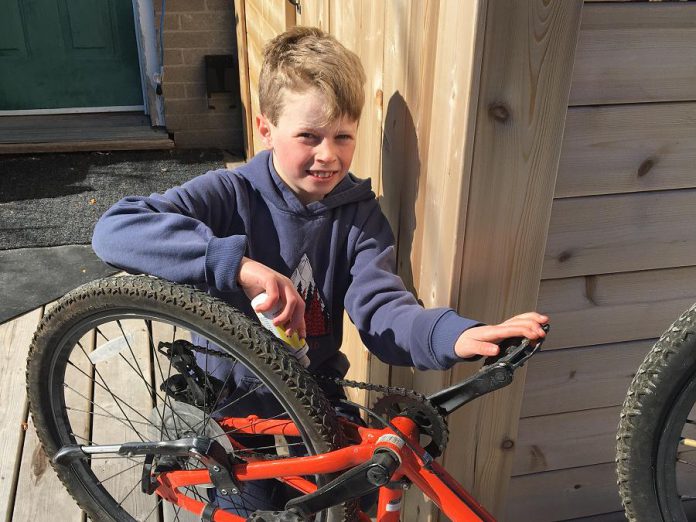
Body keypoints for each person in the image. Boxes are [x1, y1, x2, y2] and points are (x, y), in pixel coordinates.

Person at [92, 25, 547, 515]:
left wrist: (452, 335)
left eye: (343, 137)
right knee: (252, 504)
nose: (328, 154)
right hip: (231, 399)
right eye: (308, 136)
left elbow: (383, 309)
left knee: (359, 491)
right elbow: (115, 230)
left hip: (316, 391)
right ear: (266, 129)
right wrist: (239, 266)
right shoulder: (230, 193)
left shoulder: (360, 216)